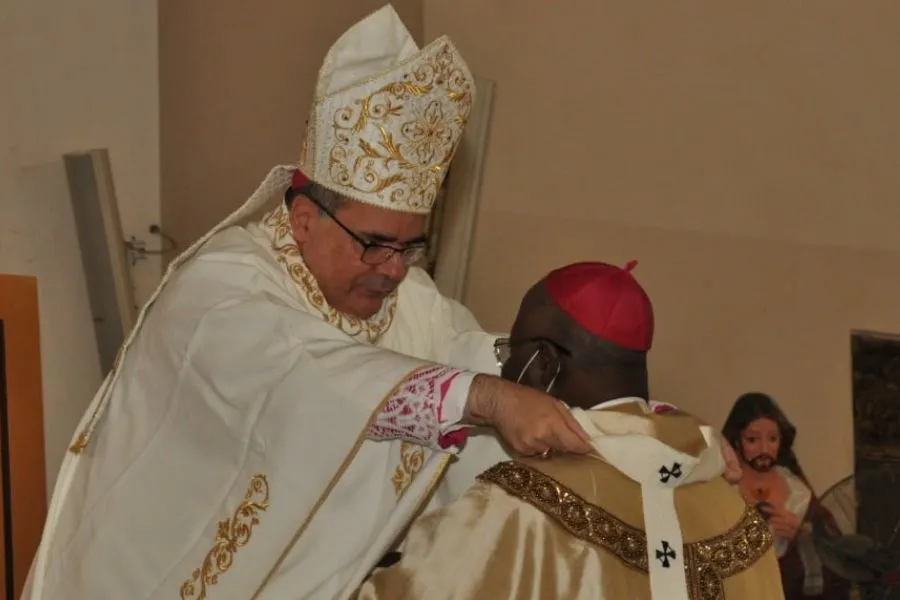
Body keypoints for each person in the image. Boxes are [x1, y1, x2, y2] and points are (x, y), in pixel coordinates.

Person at [21, 6, 591, 600]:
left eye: (410, 246)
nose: (393, 270)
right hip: (152, 576)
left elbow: (460, 351)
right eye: (374, 245)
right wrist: (483, 397)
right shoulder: (221, 287)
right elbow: (305, 373)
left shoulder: (408, 296)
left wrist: (576, 383)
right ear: (303, 220)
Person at [356, 262, 785, 600]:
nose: (504, 368)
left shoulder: (519, 502)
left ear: (543, 362)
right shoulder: (735, 510)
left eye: (509, 351)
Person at [722, 392, 851, 599]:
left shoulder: (797, 492)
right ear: (737, 441)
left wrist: (803, 536)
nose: (764, 449)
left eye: (772, 439)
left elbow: (837, 557)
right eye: (753, 439)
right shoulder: (723, 490)